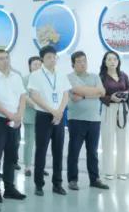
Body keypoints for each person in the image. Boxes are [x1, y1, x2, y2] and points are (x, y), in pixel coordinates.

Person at [27, 46, 69, 196]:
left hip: (59, 116)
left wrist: (60, 112)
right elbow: (35, 96)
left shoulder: (61, 75)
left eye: (54, 57)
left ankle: (57, 184)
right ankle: (39, 184)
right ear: (42, 59)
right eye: (49, 57)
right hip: (44, 116)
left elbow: (65, 95)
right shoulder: (36, 75)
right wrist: (53, 111)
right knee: (41, 150)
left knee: (58, 151)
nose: (52, 59)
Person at [66, 51, 109, 191]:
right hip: (77, 119)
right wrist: (94, 91)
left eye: (84, 60)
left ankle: (94, 179)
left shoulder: (95, 76)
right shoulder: (70, 77)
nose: (82, 63)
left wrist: (84, 95)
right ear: (73, 64)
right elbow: (77, 89)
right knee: (74, 151)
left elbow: (102, 92)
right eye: (79, 61)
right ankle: (72, 180)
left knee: (93, 152)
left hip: (94, 119)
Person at [0, 49, 27, 202]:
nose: (5, 60)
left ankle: (9, 188)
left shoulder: (16, 77)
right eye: (1, 58)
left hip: (15, 121)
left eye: (7, 57)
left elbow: (23, 96)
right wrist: (9, 115)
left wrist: (19, 115)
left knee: (11, 156)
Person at [99, 51, 129, 180]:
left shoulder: (123, 75)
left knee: (123, 139)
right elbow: (99, 95)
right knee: (107, 139)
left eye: (115, 59)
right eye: (109, 59)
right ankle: (108, 171)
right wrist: (110, 97)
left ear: (118, 61)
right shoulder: (102, 77)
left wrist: (126, 94)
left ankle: (122, 171)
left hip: (123, 108)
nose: (112, 62)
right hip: (109, 108)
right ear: (105, 62)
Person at [21, 56, 42, 177]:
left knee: (42, 143)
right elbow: (25, 96)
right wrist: (39, 106)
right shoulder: (25, 79)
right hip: (30, 114)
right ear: (30, 66)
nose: (37, 67)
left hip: (44, 115)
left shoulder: (45, 80)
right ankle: (27, 166)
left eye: (39, 65)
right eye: (35, 65)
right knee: (29, 142)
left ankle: (40, 165)